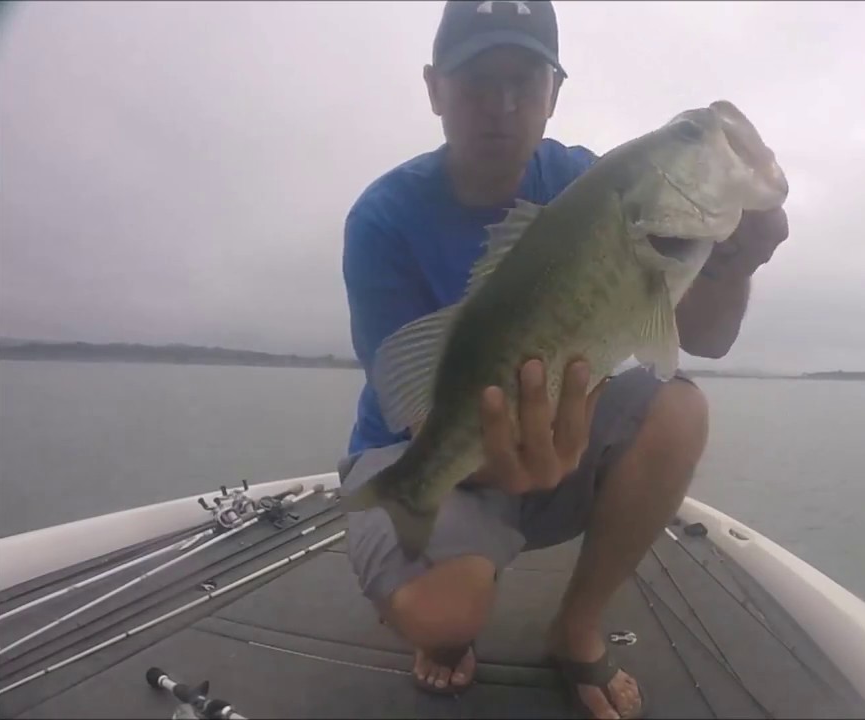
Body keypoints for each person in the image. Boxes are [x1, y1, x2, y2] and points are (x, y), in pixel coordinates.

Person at [336, 1, 789, 718]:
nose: (503, 106)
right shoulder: (383, 218)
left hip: (554, 426)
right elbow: (415, 406)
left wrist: (737, 261)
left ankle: (576, 628)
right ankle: (437, 570)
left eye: (525, 81)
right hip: (419, 444)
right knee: (447, 621)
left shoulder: (587, 183)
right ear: (434, 89)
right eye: (478, 81)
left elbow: (707, 339)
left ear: (555, 93)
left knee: (680, 407)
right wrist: (493, 452)